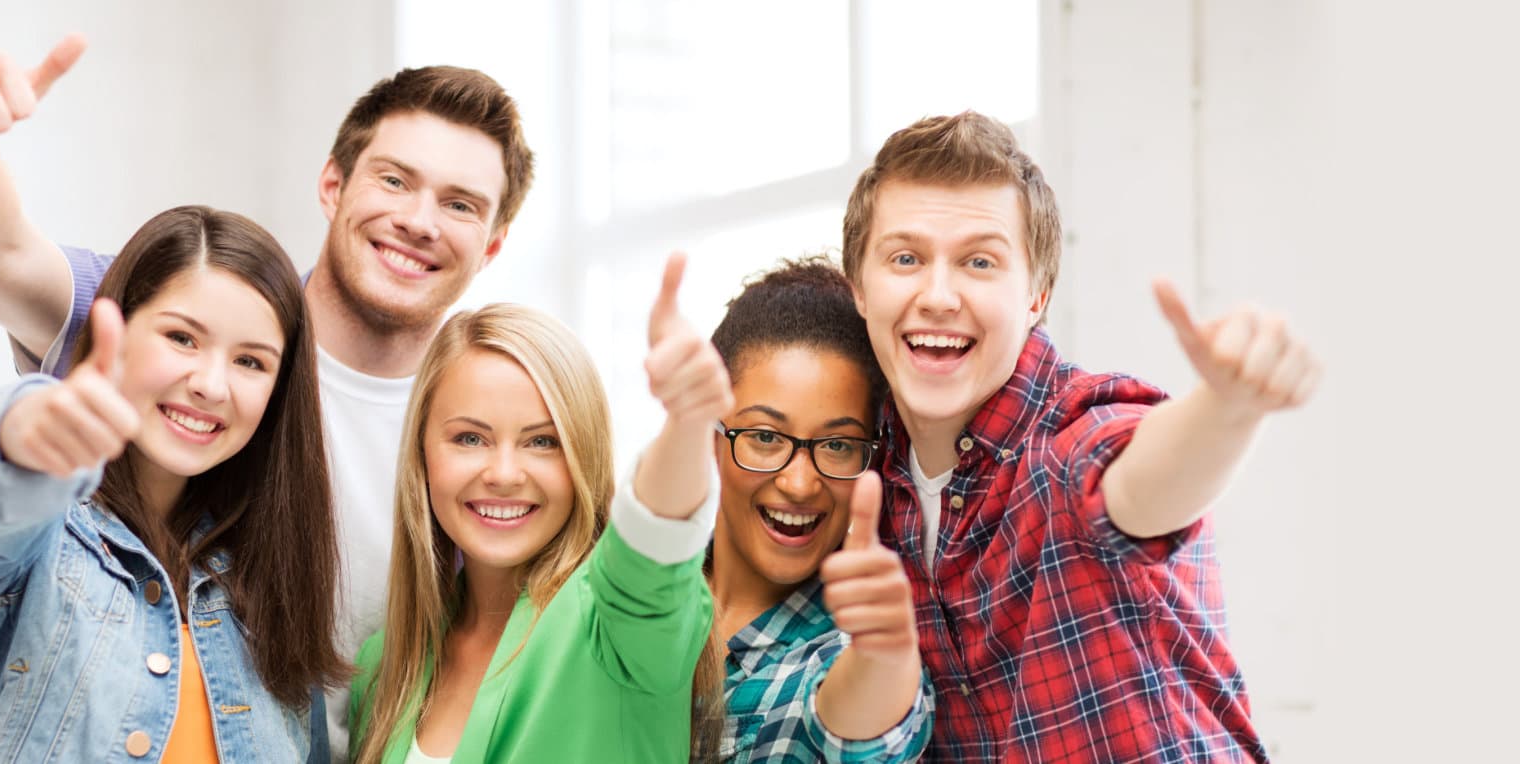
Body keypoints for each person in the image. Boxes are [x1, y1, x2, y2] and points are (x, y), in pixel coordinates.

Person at [0, 35, 535, 758]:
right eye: (395, 180)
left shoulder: (481, 445)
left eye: (459, 204)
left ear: (490, 245)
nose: (419, 221)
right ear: (333, 185)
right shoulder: (173, 311)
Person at [839, 111, 1319, 760]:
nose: (939, 295)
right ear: (859, 289)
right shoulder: (868, 476)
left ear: (1036, 295)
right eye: (905, 258)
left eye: (980, 261)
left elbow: (1136, 476)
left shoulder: (1069, 434)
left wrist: (1229, 408)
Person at [0, 205, 345, 761]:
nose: (212, 385)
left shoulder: (270, 580)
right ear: (117, 334)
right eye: (182, 338)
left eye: (250, 362)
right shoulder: (43, 538)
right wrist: (31, 438)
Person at [350, 254, 727, 763]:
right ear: (422, 453)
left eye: (542, 442)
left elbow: (654, 542)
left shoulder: (613, 623)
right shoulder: (384, 666)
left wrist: (687, 423)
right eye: (469, 437)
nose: (504, 474)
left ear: (582, 457)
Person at [703, 258, 934, 762]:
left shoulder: (839, 649)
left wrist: (882, 656)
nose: (800, 483)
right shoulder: (638, 593)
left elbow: (863, 726)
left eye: (837, 445)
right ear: (709, 433)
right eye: (764, 437)